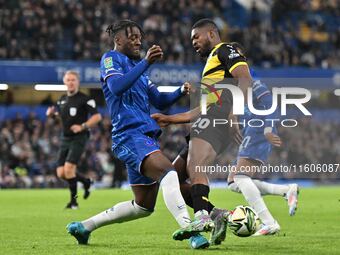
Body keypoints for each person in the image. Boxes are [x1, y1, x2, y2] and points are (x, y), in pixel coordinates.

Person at [66, 20, 211, 249]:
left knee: (143, 206)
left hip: (144, 137)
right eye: (132, 36)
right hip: (129, 135)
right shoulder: (111, 59)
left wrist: (179, 91)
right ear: (118, 39)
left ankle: (85, 227)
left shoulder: (140, 73)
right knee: (169, 172)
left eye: (139, 37)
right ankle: (191, 231)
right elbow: (116, 87)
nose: (138, 40)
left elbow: (160, 101)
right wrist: (145, 63)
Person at [168, 18, 252, 241]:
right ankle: (217, 215)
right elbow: (199, 110)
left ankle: (201, 216)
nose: (193, 42)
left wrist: (234, 111)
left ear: (212, 34)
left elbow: (245, 78)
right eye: (191, 39)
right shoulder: (211, 69)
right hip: (209, 118)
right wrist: (168, 119)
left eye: (197, 36)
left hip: (219, 119)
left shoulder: (225, 49)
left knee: (196, 165)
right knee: (172, 177)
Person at [46, 70, 102, 209]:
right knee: (61, 173)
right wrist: (52, 115)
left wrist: (83, 126)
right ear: (64, 82)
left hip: (79, 137)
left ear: (78, 82)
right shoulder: (62, 99)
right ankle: (85, 181)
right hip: (65, 137)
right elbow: (62, 119)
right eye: (68, 80)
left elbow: (97, 117)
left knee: (69, 169)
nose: (70, 82)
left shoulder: (85, 99)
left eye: (73, 80)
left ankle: (74, 202)